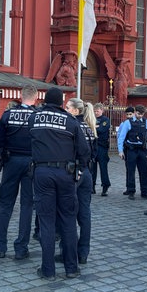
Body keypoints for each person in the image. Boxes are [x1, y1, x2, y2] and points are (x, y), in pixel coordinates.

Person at [30, 87, 90, 281]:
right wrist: (79, 166)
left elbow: (26, 141)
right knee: (68, 219)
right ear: (61, 102)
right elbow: (84, 150)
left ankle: (48, 270)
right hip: (66, 173)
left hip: (41, 172)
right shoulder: (71, 121)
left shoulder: (35, 118)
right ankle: (71, 268)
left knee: (46, 221)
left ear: (45, 100)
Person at [0, 86, 37, 261]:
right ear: (36, 98)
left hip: (11, 162)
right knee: (27, 205)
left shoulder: (8, 115)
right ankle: (21, 248)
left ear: (20, 97)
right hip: (31, 162)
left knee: (5, 204)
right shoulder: (37, 116)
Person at [60, 97, 96, 265]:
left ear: (76, 110)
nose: (65, 109)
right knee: (85, 214)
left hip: (74, 172)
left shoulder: (71, 125)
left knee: (67, 213)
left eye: (68, 107)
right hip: (87, 171)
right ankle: (83, 253)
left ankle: (67, 251)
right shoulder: (89, 127)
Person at [117, 105, 147, 200]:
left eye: (142, 114)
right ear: (135, 112)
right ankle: (131, 190)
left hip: (142, 150)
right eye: (138, 113)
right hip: (131, 149)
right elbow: (121, 137)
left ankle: (145, 191)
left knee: (144, 171)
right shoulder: (128, 123)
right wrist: (120, 151)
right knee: (131, 171)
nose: (140, 116)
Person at [92, 103, 111, 196]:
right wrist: (95, 127)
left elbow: (101, 130)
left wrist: (94, 127)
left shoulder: (105, 120)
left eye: (98, 111)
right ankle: (92, 186)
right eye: (94, 111)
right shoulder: (92, 118)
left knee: (103, 168)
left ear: (102, 111)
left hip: (102, 147)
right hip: (93, 146)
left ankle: (105, 187)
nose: (96, 113)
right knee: (92, 168)